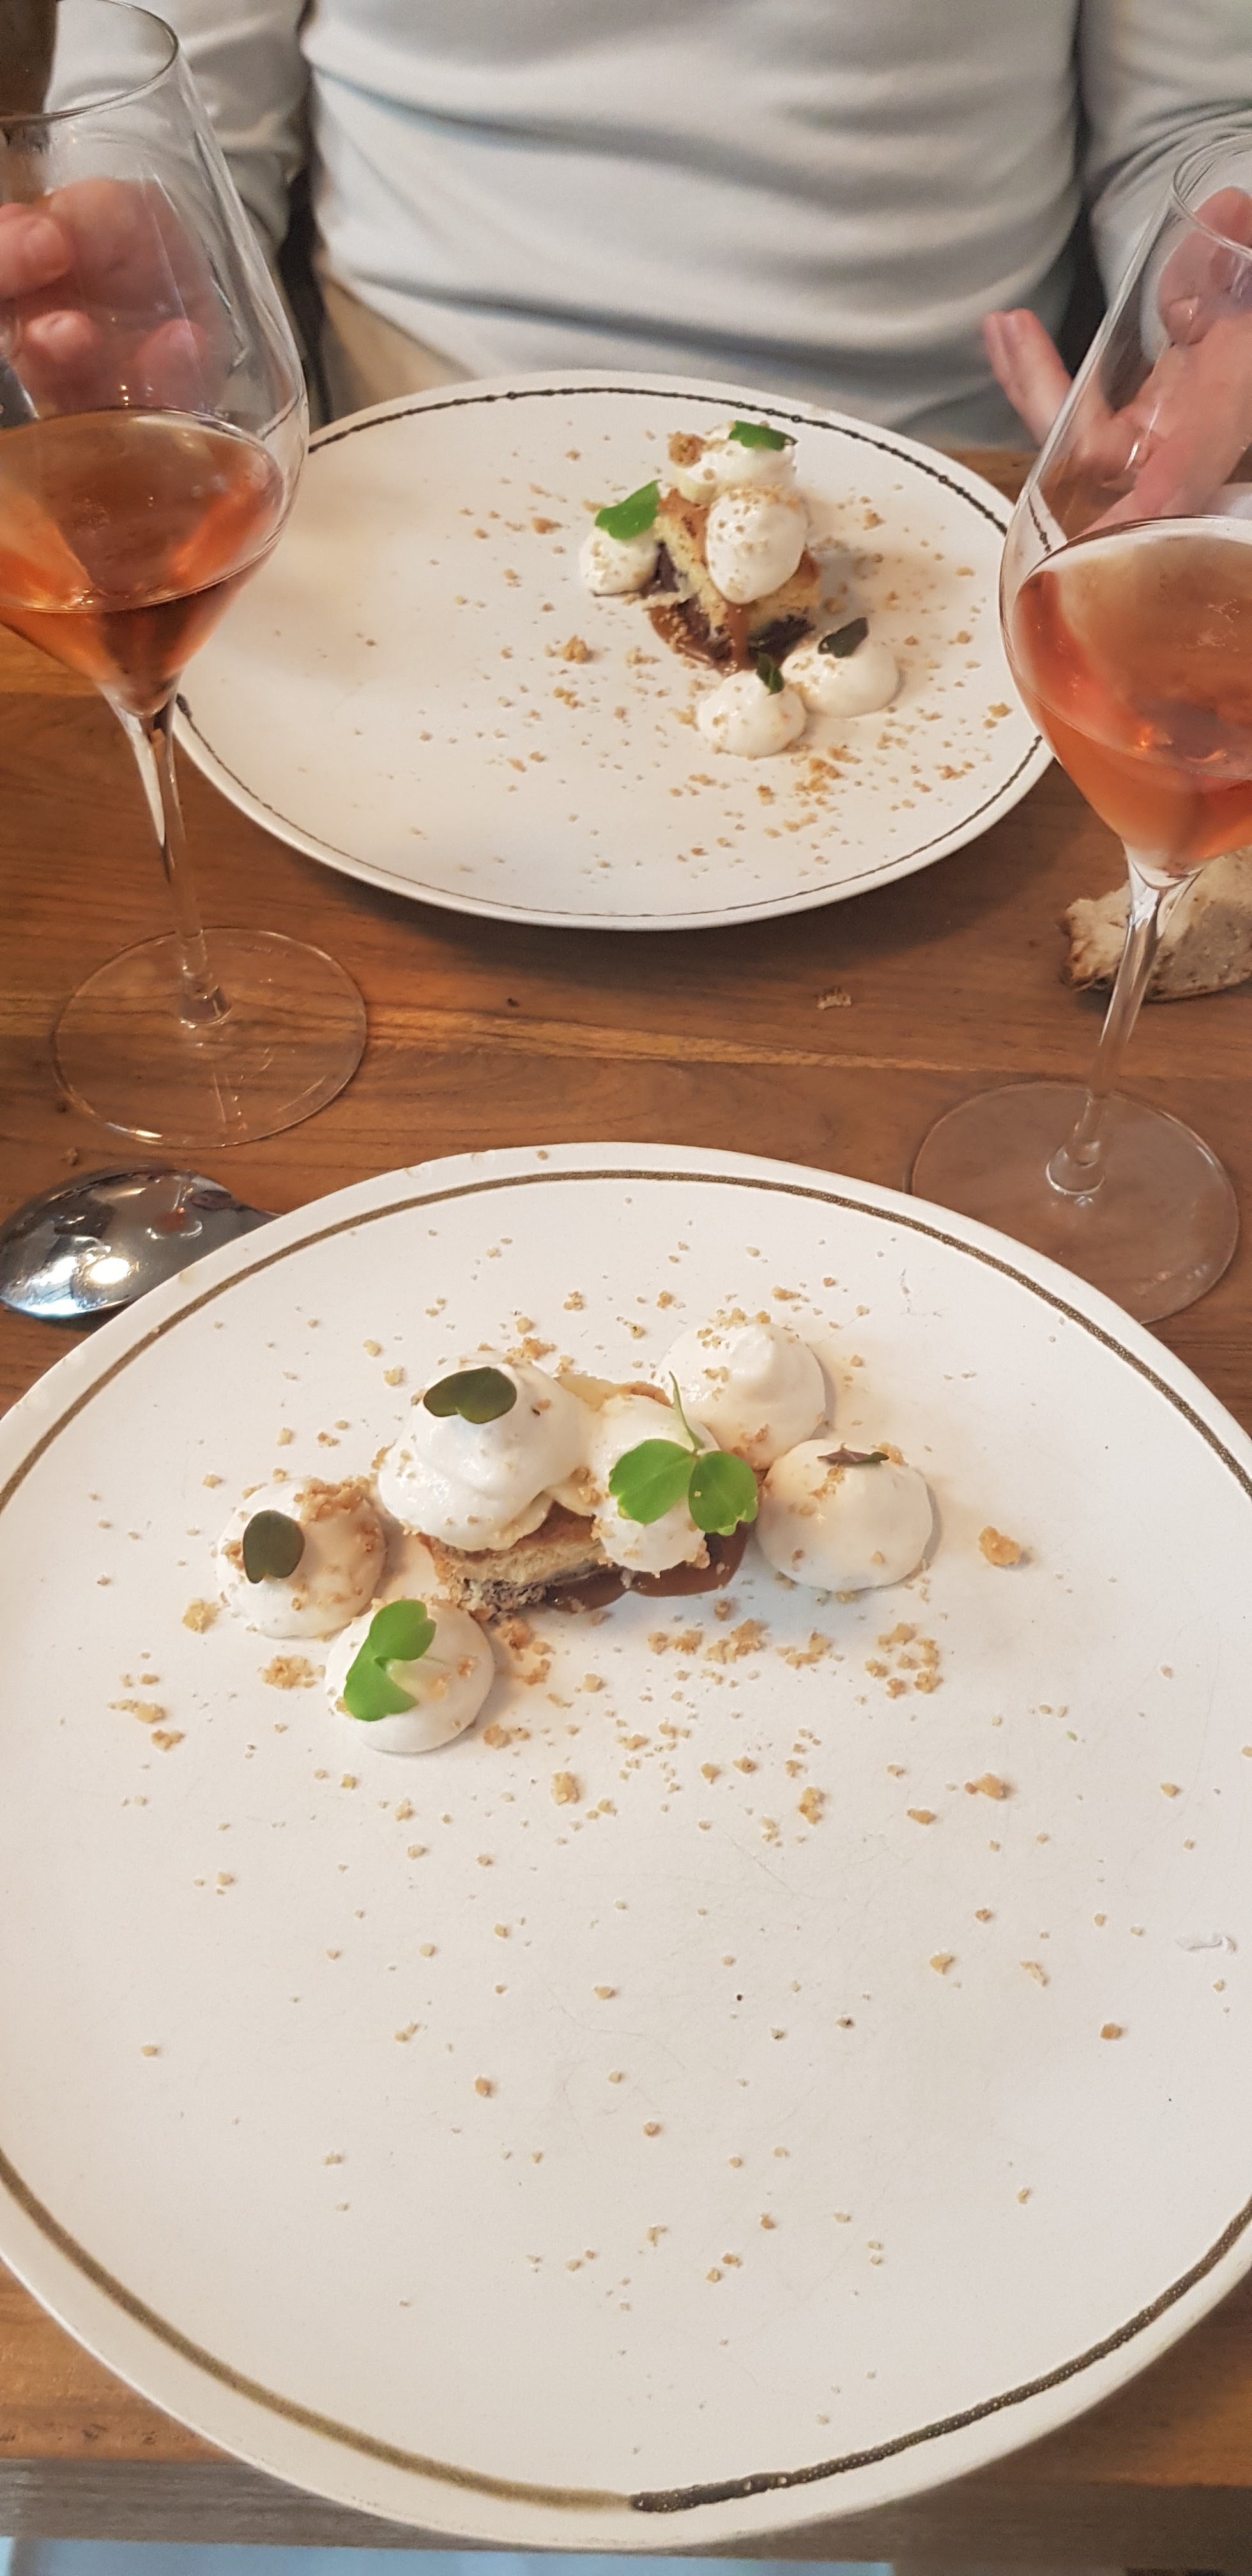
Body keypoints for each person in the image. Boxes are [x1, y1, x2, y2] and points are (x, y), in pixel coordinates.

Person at [149, 0, 1252, 448]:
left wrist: (1223, 283)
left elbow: (1195, 124)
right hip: (400, 480)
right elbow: (169, 106)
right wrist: (145, 268)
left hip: (958, 488)